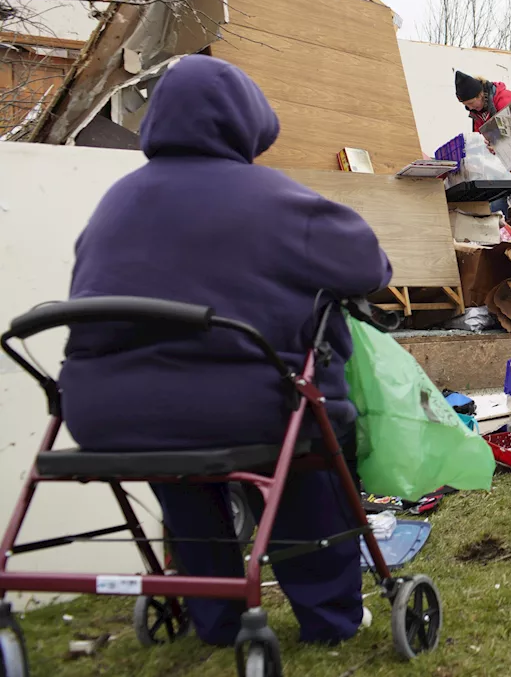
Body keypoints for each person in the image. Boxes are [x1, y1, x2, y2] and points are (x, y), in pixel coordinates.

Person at [58, 55, 392, 647]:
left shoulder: (113, 205)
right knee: (304, 458)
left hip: (108, 414)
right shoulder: (278, 199)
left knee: (184, 475)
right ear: (248, 121)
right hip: (246, 407)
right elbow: (369, 267)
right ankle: (329, 615)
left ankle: (214, 617)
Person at [455, 70, 511, 231]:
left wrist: (496, 141)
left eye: (471, 102)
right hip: (498, 158)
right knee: (495, 196)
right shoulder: (476, 113)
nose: (469, 107)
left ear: (481, 94)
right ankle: (499, 234)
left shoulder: (505, 98)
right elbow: (479, 138)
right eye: (466, 105)